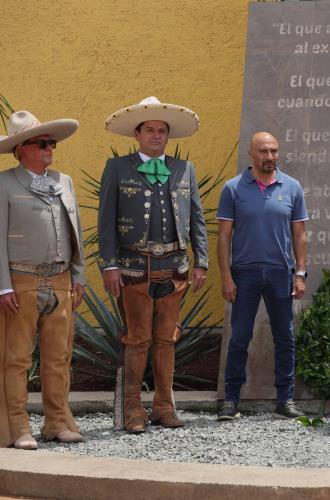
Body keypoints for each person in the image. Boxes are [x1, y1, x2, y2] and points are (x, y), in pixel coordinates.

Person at [98, 96, 208, 433]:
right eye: (150, 130)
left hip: (174, 267)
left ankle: (163, 406)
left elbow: (197, 220)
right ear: (137, 134)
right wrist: (109, 265)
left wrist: (201, 261)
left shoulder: (183, 169)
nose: (157, 135)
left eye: (162, 131)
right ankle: (132, 408)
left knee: (166, 339)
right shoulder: (118, 168)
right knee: (137, 339)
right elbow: (106, 221)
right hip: (133, 268)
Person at [0, 110, 85, 449]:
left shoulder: (64, 181)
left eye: (51, 143)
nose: (50, 148)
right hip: (21, 280)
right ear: (21, 149)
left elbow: (73, 228)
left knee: (59, 355)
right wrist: (3, 284)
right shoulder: (4, 183)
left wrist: (78, 276)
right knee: (16, 357)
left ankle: (58, 421)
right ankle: (17, 427)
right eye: (42, 143)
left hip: (61, 279)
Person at [216, 131, 308, 420]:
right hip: (245, 274)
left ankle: (285, 399)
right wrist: (226, 277)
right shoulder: (233, 189)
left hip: (282, 273)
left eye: (274, 151)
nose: (270, 157)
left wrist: (301, 273)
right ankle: (231, 400)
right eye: (264, 152)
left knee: (285, 338)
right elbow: (223, 237)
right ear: (251, 154)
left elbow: (300, 234)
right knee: (239, 337)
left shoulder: (292, 187)